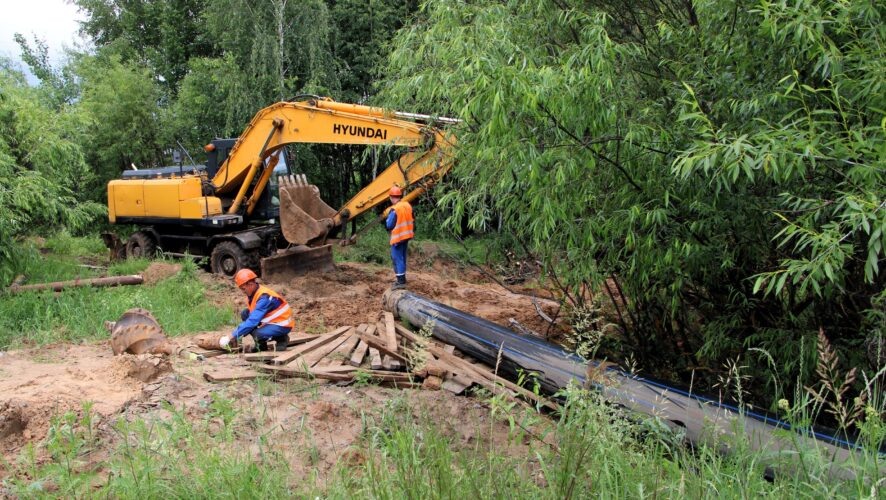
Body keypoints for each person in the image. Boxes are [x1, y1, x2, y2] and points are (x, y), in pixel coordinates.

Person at [219, 268, 294, 351]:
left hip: (282, 324)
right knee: (245, 314)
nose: (242, 292)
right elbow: (251, 316)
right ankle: (261, 346)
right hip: (272, 321)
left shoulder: (264, 297)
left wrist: (232, 335)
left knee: (257, 334)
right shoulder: (254, 294)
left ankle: (281, 338)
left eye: (243, 289)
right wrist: (239, 334)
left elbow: (252, 321)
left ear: (250, 284)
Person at [385, 185, 414, 289]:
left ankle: (401, 282)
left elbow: (389, 225)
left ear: (391, 197)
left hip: (398, 237)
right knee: (402, 257)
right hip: (406, 235)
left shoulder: (395, 209)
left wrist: (387, 219)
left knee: (397, 258)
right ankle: (402, 279)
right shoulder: (407, 205)